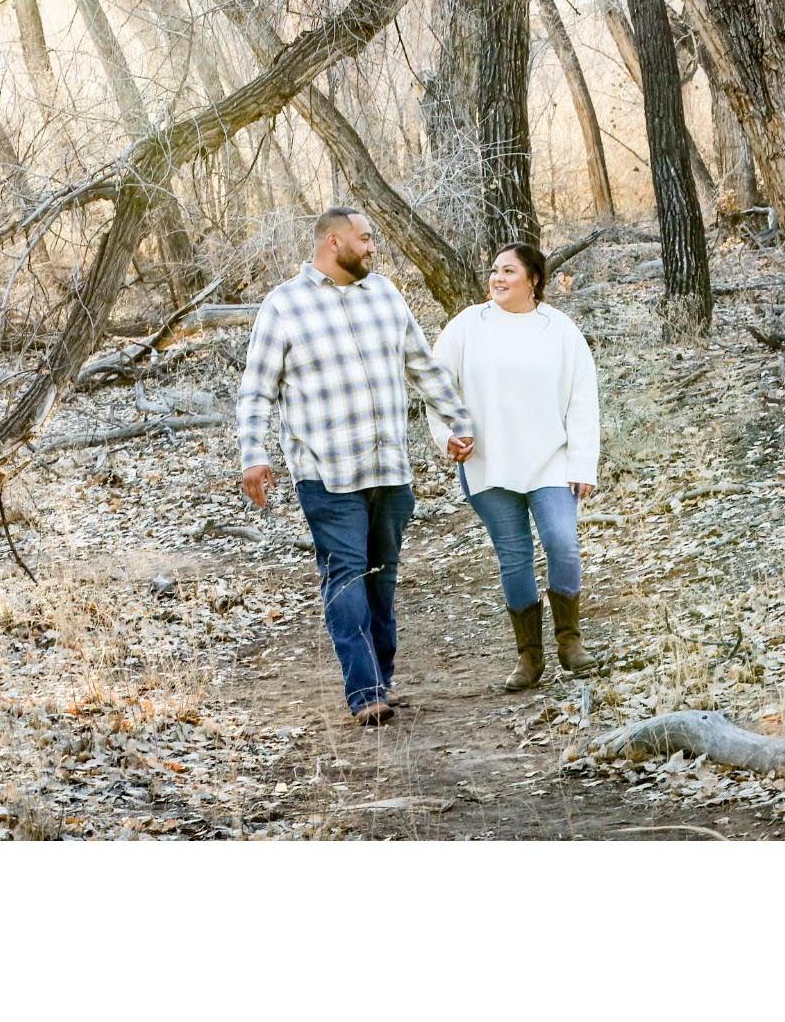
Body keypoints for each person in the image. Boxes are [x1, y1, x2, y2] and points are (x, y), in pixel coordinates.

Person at [236, 207, 475, 727]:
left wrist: (457, 419)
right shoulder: (284, 307)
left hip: (389, 468)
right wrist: (253, 454)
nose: (372, 247)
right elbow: (257, 389)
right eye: (365, 239)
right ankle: (364, 691)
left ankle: (380, 677)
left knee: (381, 579)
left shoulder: (386, 294)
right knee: (345, 575)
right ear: (333, 242)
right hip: (327, 473)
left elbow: (421, 365)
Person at [430, 243, 600, 690]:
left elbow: (583, 398)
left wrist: (583, 462)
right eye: (494, 271)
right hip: (489, 463)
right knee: (514, 558)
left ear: (534, 279)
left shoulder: (559, 330)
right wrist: (447, 436)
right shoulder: (468, 325)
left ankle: (570, 640)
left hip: (551, 461)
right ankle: (529, 657)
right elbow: (435, 386)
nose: (498, 278)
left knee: (562, 544)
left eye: (509, 271)